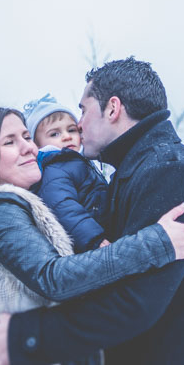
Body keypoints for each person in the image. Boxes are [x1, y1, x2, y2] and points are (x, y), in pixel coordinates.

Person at [0, 57, 184, 364]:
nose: (78, 123)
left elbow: (135, 302)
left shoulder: (171, 172)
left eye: (84, 109)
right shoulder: (135, 170)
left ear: (112, 109)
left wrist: (28, 336)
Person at [0, 106, 184, 365]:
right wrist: (156, 243)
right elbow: (54, 277)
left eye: (27, 137)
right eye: (10, 142)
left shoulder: (21, 203)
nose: (28, 147)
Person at [23, 93, 109, 251]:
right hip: (89, 243)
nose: (66, 137)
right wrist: (95, 239)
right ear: (36, 144)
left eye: (71, 130)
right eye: (54, 134)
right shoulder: (54, 168)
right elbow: (63, 207)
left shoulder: (77, 161)